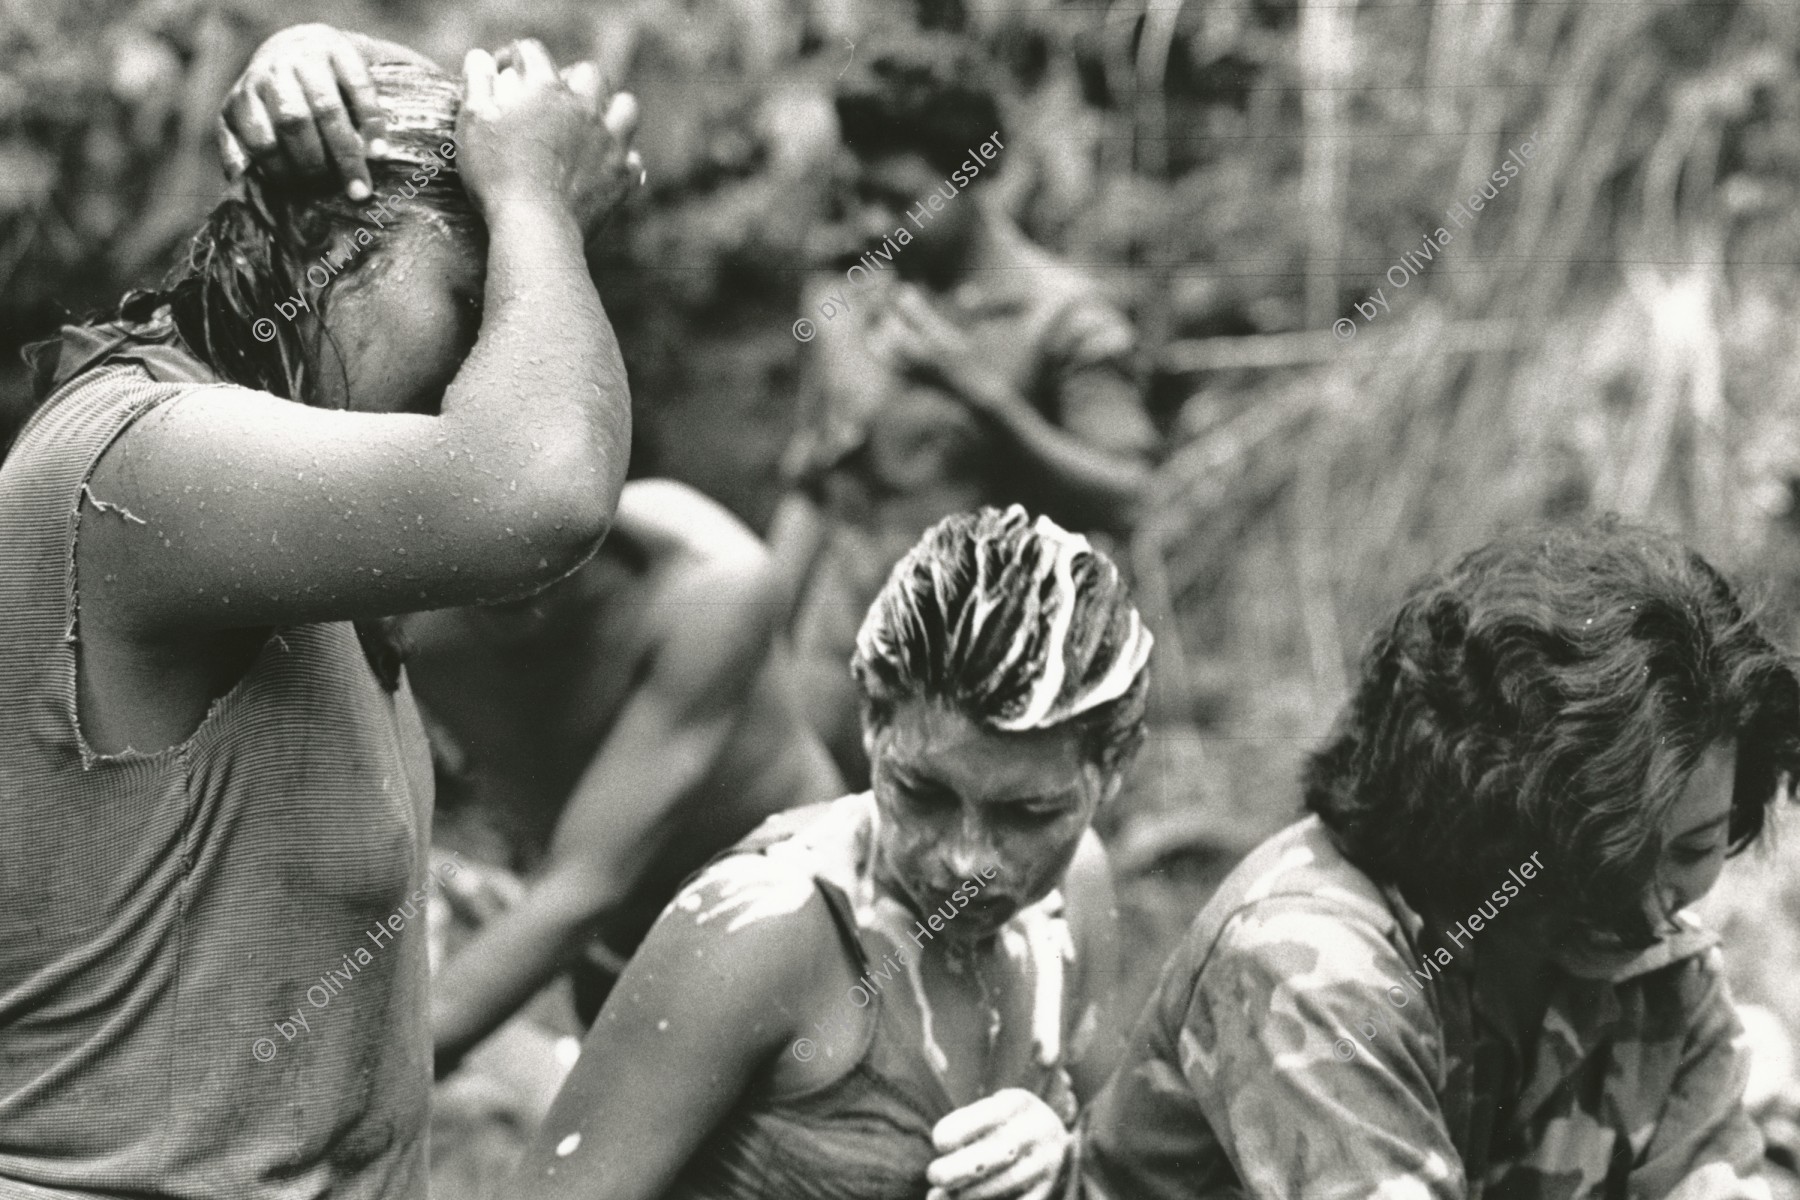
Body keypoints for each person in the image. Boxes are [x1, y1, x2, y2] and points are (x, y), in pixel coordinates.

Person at [0, 29, 641, 1199]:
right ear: (322, 239)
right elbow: (548, 485)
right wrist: (536, 199)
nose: (483, 364)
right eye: (468, 295)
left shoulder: (326, 549)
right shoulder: (141, 457)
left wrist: (317, 57)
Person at [1081, 520, 1800, 1200]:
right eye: (1602, 866)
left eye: (1696, 848)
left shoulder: (1662, 975)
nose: (1651, 913)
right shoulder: (1310, 966)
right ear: (1485, 822)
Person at [507, 505, 1152, 1200]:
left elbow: (1128, 1168)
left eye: (1026, 814)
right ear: (873, 722)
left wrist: (1061, 1160)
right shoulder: (761, 934)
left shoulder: (1074, 892)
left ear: (1111, 772)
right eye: (924, 793)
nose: (966, 861)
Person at [791, 33, 1160, 785]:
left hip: (978, 695)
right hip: (830, 673)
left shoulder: (1063, 318)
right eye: (855, 194)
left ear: (976, 174)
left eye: (898, 199)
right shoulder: (851, 298)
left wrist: (982, 396)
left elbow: (1129, 496)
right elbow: (811, 484)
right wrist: (753, 645)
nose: (870, 222)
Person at [402, 477, 844, 1074]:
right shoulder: (384, 595)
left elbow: (589, 885)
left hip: (801, 924)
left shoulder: (710, 584)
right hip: (605, 948)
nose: (514, 571)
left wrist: (383, 1070)